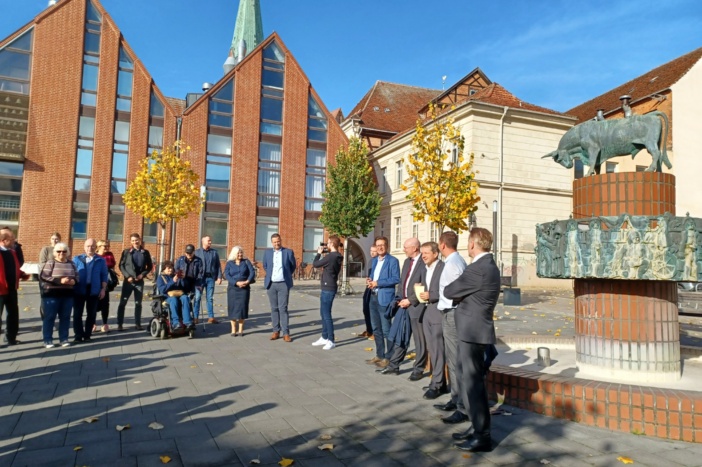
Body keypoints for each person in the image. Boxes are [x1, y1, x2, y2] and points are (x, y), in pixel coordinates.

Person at [444, 228, 500, 452]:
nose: (467, 246)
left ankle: (482, 435)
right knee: (467, 380)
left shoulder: (478, 268)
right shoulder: (488, 266)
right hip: (473, 331)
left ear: (474, 244)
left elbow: (449, 290)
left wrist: (460, 294)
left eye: (468, 242)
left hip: (472, 332)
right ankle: (475, 427)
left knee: (473, 384)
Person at [434, 231, 470, 425]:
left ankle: (461, 406)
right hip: (449, 311)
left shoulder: (453, 264)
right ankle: (455, 399)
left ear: (442, 245)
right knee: (453, 359)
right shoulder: (454, 261)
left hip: (452, 312)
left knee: (456, 361)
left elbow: (457, 290)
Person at [377, 237, 425, 375]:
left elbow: (425, 286)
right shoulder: (406, 261)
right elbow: (402, 283)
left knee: (419, 340)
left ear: (414, 248)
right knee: (400, 336)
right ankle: (394, 365)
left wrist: (410, 300)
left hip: (416, 306)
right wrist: (398, 299)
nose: (403, 249)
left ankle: (418, 369)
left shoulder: (423, 263)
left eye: (406, 247)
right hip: (403, 305)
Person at [418, 241, 448, 399]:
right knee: (432, 348)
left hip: (438, 311)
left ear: (435, 254)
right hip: (428, 310)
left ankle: (436, 384)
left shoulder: (443, 268)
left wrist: (432, 295)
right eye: (422, 253)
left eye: (426, 253)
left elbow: (447, 289)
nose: (423, 256)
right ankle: (439, 382)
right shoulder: (425, 268)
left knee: (437, 349)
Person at [365, 236, 400, 367]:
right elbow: (374, 276)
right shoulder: (374, 261)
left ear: (387, 246)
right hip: (373, 297)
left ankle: (389, 357)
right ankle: (379, 355)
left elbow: (396, 279)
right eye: (378, 245)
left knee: (386, 329)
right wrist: (370, 281)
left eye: (383, 245)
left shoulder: (393, 261)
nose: (380, 247)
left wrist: (378, 283)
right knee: (376, 329)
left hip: (384, 298)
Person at [39, 242, 76, 348]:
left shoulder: (72, 263)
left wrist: (74, 281)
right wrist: (60, 281)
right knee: (49, 317)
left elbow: (77, 276)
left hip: (67, 295)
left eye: (64, 251)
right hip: (52, 294)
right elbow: (44, 276)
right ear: (54, 253)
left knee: (65, 317)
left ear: (67, 252)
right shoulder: (51, 263)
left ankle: (64, 339)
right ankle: (48, 339)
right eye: (58, 251)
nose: (61, 253)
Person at [72, 239, 108, 343]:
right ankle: (78, 335)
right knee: (77, 313)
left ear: (95, 247)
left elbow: (104, 276)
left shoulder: (101, 261)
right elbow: (72, 273)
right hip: (79, 289)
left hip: (94, 289)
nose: (90, 248)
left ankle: (87, 335)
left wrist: (103, 289)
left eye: (92, 246)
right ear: (84, 247)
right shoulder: (77, 259)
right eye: (88, 246)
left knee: (91, 314)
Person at [262, 233, 296, 342]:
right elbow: (265, 266)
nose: (277, 244)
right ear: (272, 243)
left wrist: (285, 275)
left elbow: (292, 266)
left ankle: (286, 333)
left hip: (283, 284)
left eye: (278, 241)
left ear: (281, 241)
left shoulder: (288, 252)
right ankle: (276, 331)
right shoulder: (267, 253)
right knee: (274, 308)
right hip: (271, 284)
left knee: (283, 308)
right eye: (274, 242)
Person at [311, 236, 343, 350]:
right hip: (329, 286)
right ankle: (324, 337)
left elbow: (315, 264)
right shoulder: (337, 256)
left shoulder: (331, 256)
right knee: (323, 313)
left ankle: (331, 339)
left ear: (332, 244)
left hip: (328, 287)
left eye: (328, 243)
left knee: (326, 314)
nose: (326, 245)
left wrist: (318, 253)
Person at [116, 233, 153, 331]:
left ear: (140, 240)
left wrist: (142, 275)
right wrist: (127, 276)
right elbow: (121, 266)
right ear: (130, 241)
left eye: (136, 240)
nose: (135, 242)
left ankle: (138, 324)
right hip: (128, 282)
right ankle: (120, 324)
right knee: (122, 303)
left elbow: (149, 267)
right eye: (132, 240)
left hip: (139, 282)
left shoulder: (145, 252)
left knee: (138, 303)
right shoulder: (126, 252)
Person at [0, 230, 28, 346]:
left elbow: (13, 267)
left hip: (12, 288)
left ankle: (10, 337)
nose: (14, 242)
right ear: (4, 241)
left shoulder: (12, 252)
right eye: (12, 239)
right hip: (1, 289)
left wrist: (21, 274)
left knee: (13, 314)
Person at [224, 246, 255, 336]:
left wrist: (247, 281)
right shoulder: (229, 263)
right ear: (234, 254)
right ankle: (233, 329)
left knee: (242, 308)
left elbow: (252, 272)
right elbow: (227, 274)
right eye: (238, 253)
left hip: (244, 288)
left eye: (241, 252)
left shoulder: (246, 261)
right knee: (232, 307)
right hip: (233, 288)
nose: (240, 254)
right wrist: (236, 283)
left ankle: (241, 329)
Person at [156, 260, 192, 331]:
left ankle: (188, 322)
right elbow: (162, 290)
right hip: (167, 297)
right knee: (173, 300)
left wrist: (183, 279)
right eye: (168, 268)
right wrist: (172, 281)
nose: (171, 269)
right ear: (164, 269)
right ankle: (175, 323)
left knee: (185, 298)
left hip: (179, 295)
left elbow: (185, 288)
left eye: (171, 268)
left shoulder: (175, 275)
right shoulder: (161, 278)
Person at [194, 235, 222, 324]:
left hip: (211, 278)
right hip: (200, 279)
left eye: (210, 240)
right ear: (203, 241)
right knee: (197, 297)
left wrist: (219, 276)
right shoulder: (197, 252)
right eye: (208, 240)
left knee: (209, 298)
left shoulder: (214, 253)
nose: (210, 242)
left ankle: (211, 317)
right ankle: (195, 317)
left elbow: (218, 265)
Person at [175, 244, 204, 324]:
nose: (188, 255)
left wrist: (197, 281)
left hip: (195, 282)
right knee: (184, 298)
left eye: (190, 253)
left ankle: (195, 316)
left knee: (197, 298)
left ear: (194, 252)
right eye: (187, 253)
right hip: (184, 283)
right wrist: (179, 274)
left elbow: (201, 273)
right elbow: (176, 269)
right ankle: (184, 316)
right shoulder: (181, 260)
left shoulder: (198, 260)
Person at [38, 232, 62, 320]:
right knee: (45, 300)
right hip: (46, 278)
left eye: (56, 239)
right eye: (53, 238)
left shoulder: (62, 249)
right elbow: (42, 263)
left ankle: (53, 318)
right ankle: (45, 319)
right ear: (50, 239)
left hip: (58, 279)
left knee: (56, 300)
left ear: (59, 240)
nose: (54, 240)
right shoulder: (46, 249)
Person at [95, 240, 116, 333]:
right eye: (105, 246)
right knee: (94, 303)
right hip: (95, 281)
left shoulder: (110, 254)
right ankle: (93, 323)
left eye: (108, 246)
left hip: (106, 281)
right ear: (99, 246)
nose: (107, 248)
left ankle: (105, 323)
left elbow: (112, 265)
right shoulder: (95, 256)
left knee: (105, 303)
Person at [360, 245, 377, 340]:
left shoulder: (378, 261)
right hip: (368, 286)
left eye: (374, 251)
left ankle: (374, 332)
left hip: (374, 287)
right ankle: (369, 330)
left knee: (372, 310)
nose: (372, 253)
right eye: (371, 251)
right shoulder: (371, 261)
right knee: (365, 309)